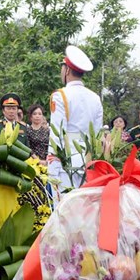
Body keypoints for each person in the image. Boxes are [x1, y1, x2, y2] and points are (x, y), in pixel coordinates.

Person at [48, 45, 103, 191]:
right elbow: (97, 135)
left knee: (64, 210)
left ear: (66, 70)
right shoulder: (95, 98)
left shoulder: (60, 95)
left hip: (65, 164)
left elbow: (57, 133)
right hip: (89, 162)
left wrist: (52, 165)